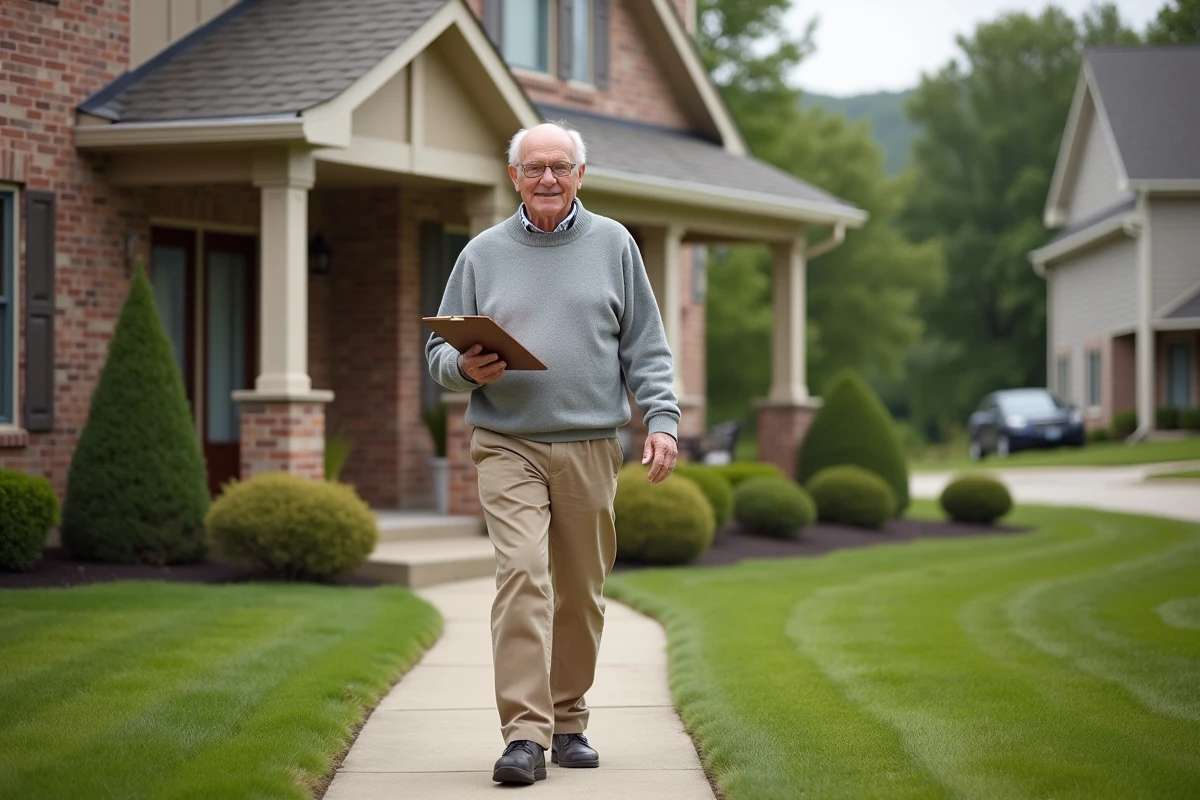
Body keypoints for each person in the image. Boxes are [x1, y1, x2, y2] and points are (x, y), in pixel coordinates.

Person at [425, 120, 680, 786]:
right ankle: (524, 735)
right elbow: (438, 353)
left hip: (591, 444)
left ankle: (568, 719)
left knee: (580, 593)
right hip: (507, 441)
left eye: (560, 167)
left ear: (580, 175)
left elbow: (646, 347)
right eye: (534, 167)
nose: (547, 178)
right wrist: (464, 369)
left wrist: (662, 419)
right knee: (522, 576)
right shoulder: (480, 253)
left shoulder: (615, 245)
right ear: (514, 177)